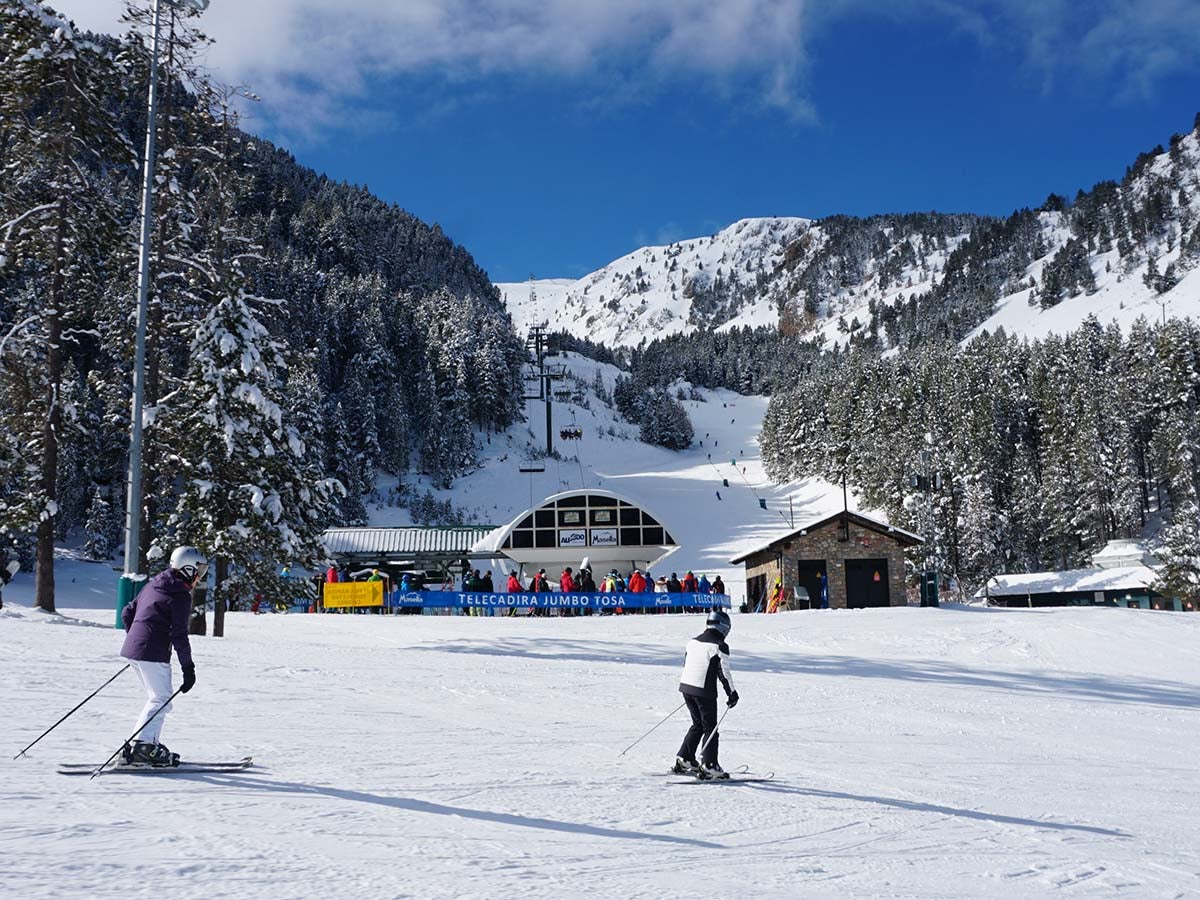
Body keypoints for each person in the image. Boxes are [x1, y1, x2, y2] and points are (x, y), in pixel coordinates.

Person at [119, 546, 206, 766]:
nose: (200, 576)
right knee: (161, 699)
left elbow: (127, 612)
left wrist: (137, 640)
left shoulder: (154, 584)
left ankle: (147, 743)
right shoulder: (179, 595)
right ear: (187, 569)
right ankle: (144, 747)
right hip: (152, 651)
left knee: (157, 699)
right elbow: (178, 634)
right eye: (199, 570)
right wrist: (188, 668)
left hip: (135, 649)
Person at [673, 609, 738, 779]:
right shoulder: (719, 645)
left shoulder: (693, 642)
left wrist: (691, 688)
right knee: (710, 728)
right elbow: (723, 672)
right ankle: (709, 766)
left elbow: (688, 663)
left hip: (687, 687)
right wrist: (732, 693)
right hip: (703, 691)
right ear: (724, 627)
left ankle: (685, 758)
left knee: (698, 724)